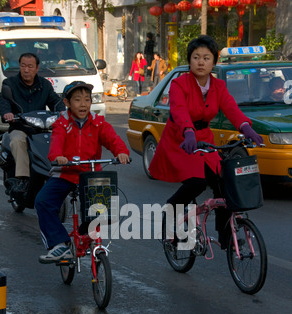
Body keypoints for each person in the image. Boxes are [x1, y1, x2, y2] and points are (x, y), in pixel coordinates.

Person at [148, 35, 263, 248]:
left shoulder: (218, 86)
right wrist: (188, 131)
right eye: (196, 57)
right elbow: (179, 110)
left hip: (204, 140)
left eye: (206, 58)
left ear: (214, 62)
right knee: (196, 182)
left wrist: (246, 127)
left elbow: (231, 109)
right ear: (189, 61)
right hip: (181, 140)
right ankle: (171, 210)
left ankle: (225, 233)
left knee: (224, 184)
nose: (201, 62)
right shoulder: (178, 84)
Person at [35, 81, 130, 264]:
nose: (83, 104)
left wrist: (121, 152)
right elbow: (56, 144)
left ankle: (86, 233)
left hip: (91, 174)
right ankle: (59, 244)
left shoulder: (98, 123)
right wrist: (58, 156)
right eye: (77, 100)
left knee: (103, 209)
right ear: (67, 103)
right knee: (43, 201)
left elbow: (112, 138)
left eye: (87, 100)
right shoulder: (62, 123)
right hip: (65, 173)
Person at [0, 52, 65, 195]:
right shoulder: (9, 83)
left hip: (41, 128)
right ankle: (23, 178)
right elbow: (4, 101)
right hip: (20, 127)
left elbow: (55, 101)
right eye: (23, 66)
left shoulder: (45, 84)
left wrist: (62, 112)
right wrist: (7, 113)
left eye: (30, 66)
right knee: (17, 141)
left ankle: (59, 172)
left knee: (58, 139)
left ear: (37, 68)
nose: (26, 70)